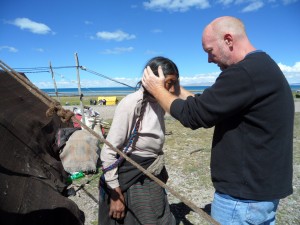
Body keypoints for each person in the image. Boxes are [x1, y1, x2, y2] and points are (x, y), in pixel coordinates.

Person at [142, 16, 294, 225]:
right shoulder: (261, 67)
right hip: (259, 191)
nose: (209, 60)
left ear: (228, 40)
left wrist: (157, 89)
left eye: (209, 51)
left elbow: (192, 115)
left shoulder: (244, 72)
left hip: (243, 198)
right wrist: (174, 90)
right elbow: (205, 105)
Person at [99, 56, 179, 225]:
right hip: (133, 174)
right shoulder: (131, 104)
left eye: (175, 83)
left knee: (159, 215)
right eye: (169, 83)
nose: (172, 90)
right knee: (142, 218)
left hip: (150, 169)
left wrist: (160, 167)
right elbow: (109, 151)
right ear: (152, 80)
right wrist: (115, 193)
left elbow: (153, 141)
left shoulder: (159, 102)